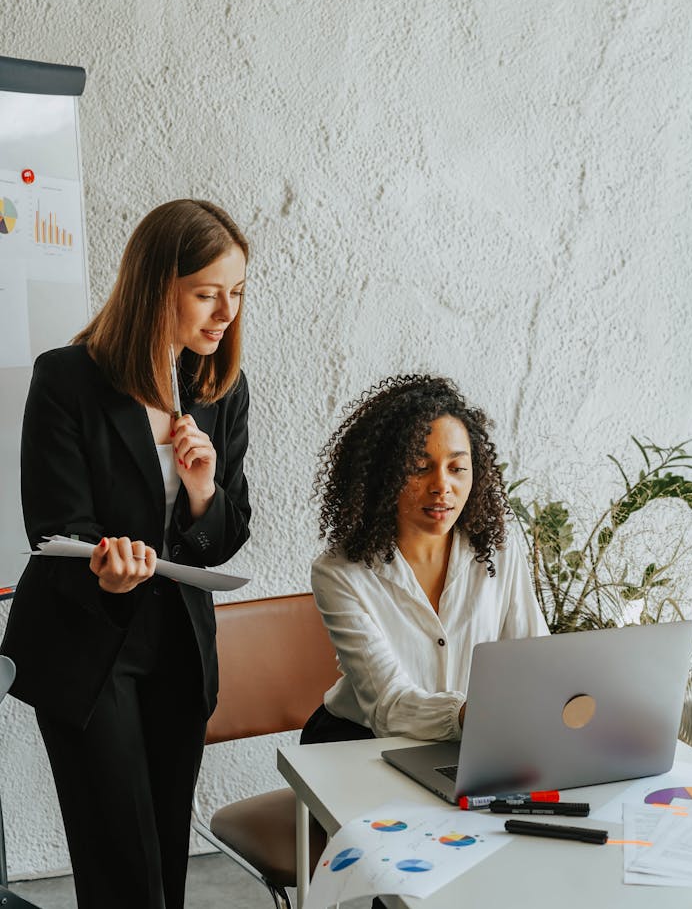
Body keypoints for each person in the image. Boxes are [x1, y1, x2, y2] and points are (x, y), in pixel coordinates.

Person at [1, 198, 251, 909]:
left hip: (177, 647)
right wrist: (109, 580)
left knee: (165, 857)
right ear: (154, 287)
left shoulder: (217, 389)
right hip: (88, 644)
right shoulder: (66, 381)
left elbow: (224, 536)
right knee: (120, 868)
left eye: (235, 293)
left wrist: (202, 493)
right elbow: (54, 528)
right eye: (206, 293)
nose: (224, 312)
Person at [302, 374, 549, 746]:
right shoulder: (340, 573)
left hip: (472, 737)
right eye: (420, 467)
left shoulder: (498, 548)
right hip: (360, 743)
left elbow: (535, 658)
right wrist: (475, 716)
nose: (442, 486)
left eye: (457, 468)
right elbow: (389, 706)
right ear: (384, 475)